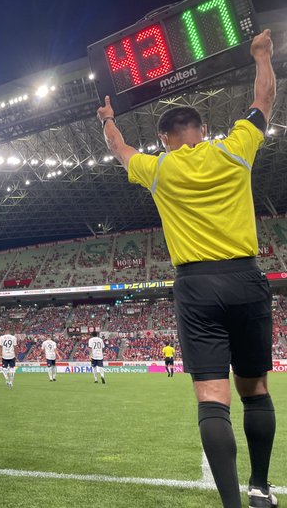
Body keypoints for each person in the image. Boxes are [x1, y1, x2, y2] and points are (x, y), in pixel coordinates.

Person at [97, 29, 277, 508]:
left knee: (212, 399)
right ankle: (261, 489)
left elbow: (118, 148)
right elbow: (264, 99)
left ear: (164, 138)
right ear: (203, 128)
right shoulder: (234, 148)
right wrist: (261, 55)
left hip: (196, 287)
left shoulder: (159, 169)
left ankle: (232, 504)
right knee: (255, 390)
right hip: (245, 277)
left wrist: (109, 119)